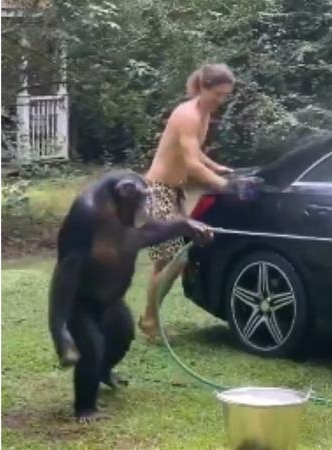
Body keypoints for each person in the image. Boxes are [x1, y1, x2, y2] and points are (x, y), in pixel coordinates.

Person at [138, 63, 237, 341]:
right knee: (176, 258)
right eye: (217, 94)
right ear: (202, 88)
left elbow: (194, 153)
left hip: (174, 192)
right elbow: (192, 165)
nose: (221, 100)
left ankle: (149, 320)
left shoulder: (203, 114)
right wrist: (225, 187)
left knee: (165, 262)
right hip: (157, 192)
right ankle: (149, 320)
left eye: (225, 95)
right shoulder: (188, 115)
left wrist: (218, 168)